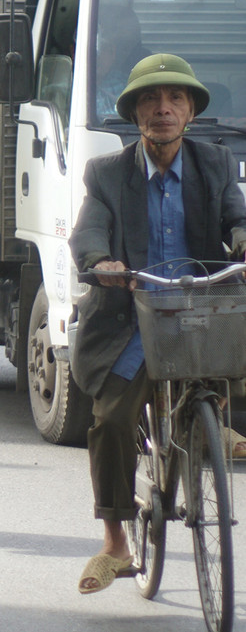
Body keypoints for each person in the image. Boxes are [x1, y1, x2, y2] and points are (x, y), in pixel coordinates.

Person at [69, 53, 246, 595]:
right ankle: (116, 544)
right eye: (150, 99)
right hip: (131, 320)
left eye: (174, 99)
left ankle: (215, 417)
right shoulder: (107, 172)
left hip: (198, 312)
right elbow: (88, 232)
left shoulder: (215, 164)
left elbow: (237, 216)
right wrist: (102, 262)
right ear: (135, 114)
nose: (162, 109)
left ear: (190, 111)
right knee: (113, 420)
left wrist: (243, 240)